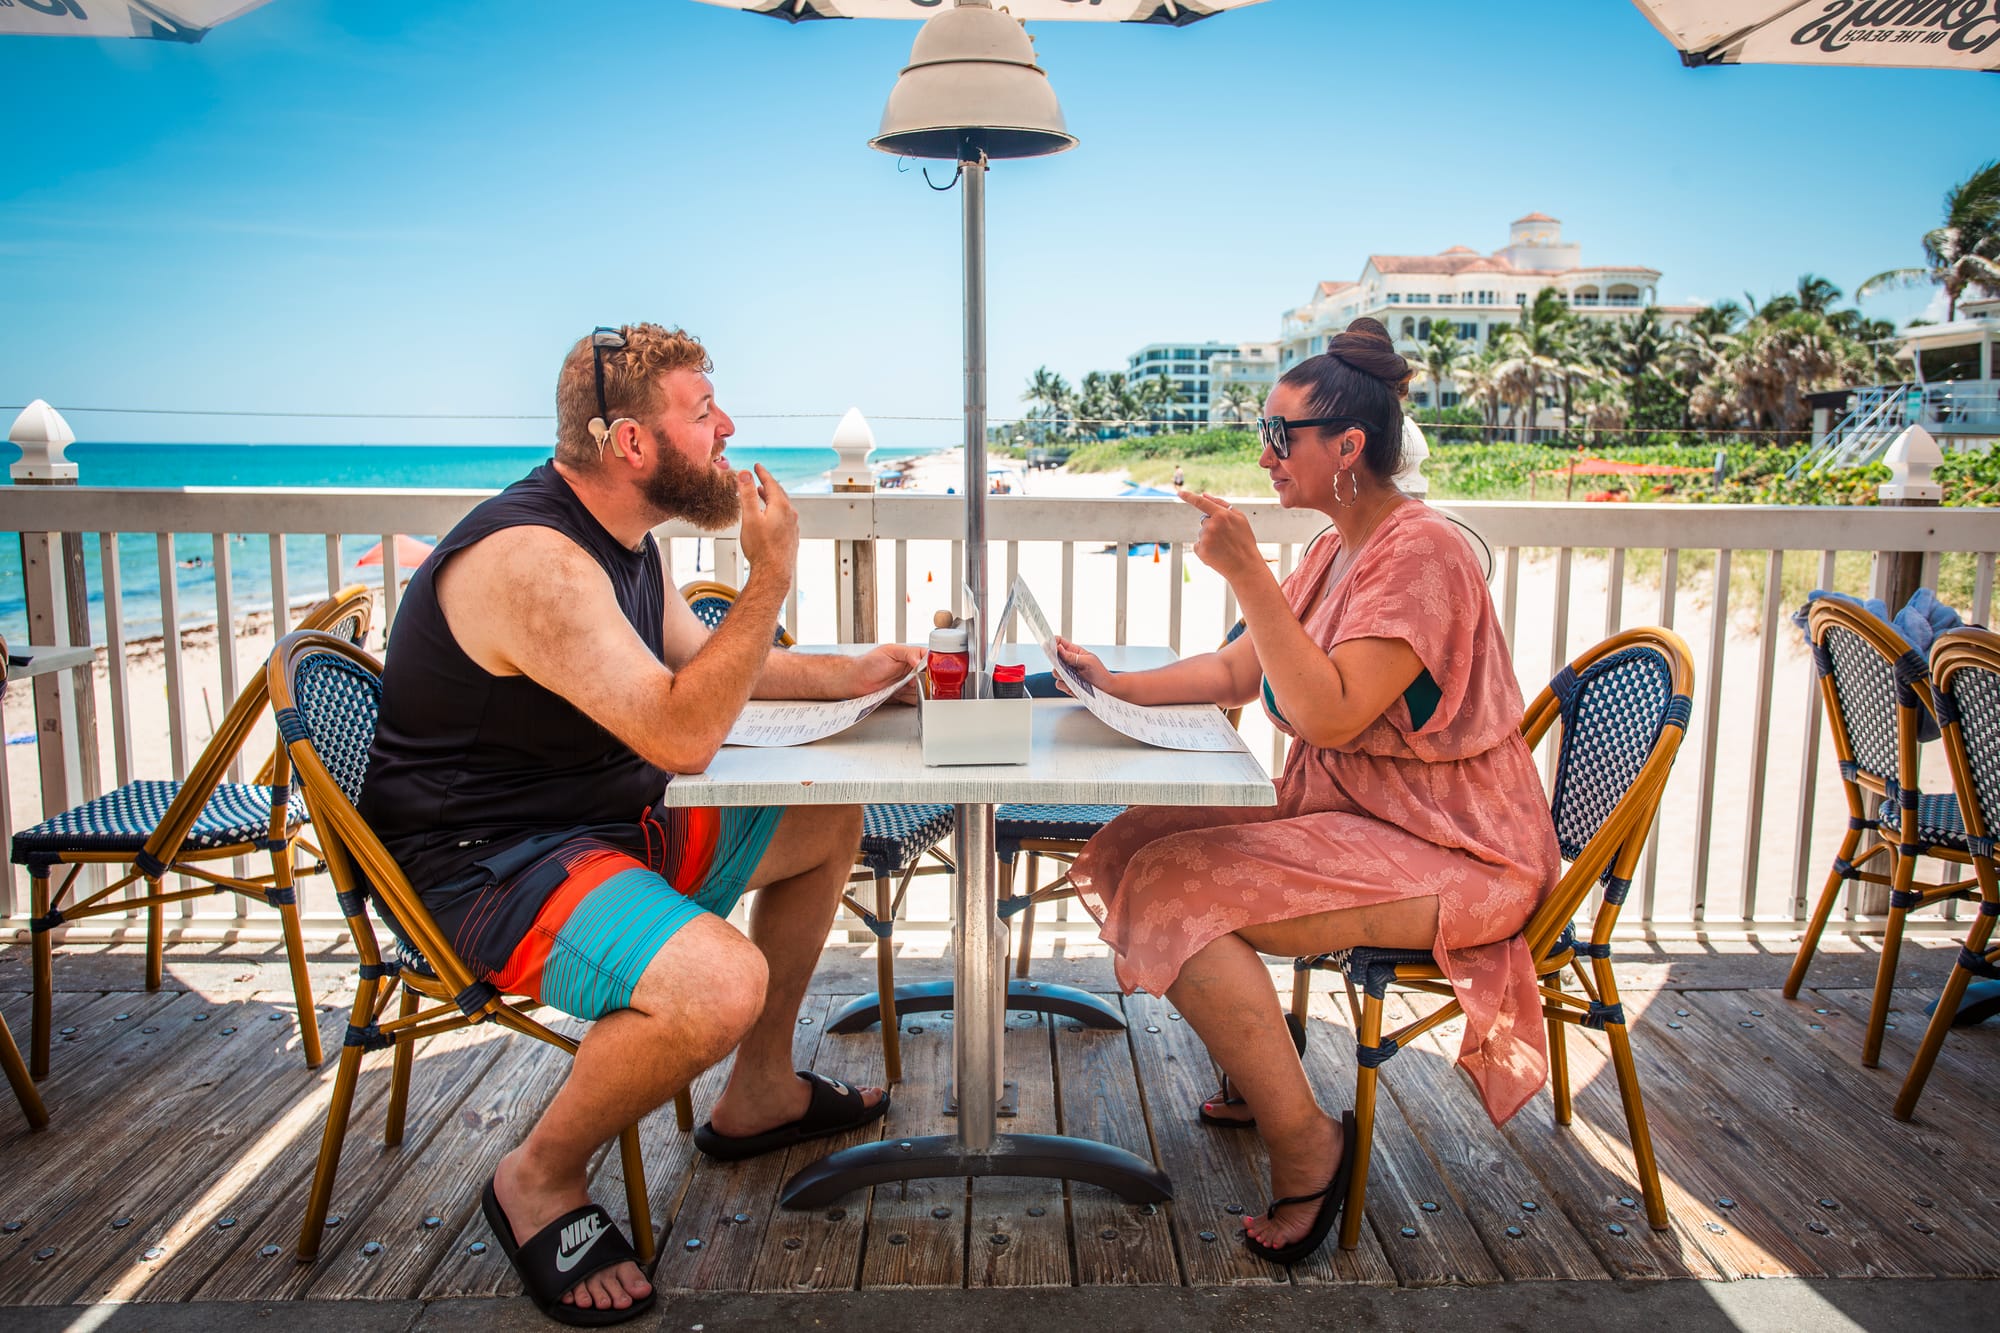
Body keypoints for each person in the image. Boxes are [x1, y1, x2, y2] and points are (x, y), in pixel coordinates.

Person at [359, 323, 923, 1325]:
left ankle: (757, 1095)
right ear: (628, 442)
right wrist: (770, 578)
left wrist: (862, 676)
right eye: (702, 413)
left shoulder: (626, 542)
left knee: (826, 814)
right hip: (486, 867)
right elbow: (683, 733)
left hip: (597, 827)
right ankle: (538, 1177)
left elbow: (701, 662)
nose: (727, 428)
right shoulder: (534, 562)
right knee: (720, 984)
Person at [1051, 318, 1557, 1266]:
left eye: (1283, 435)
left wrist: (1246, 571)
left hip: (1455, 847)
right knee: (1136, 843)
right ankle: (1258, 1066)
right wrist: (1113, 683)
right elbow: (1244, 670)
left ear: (1349, 447)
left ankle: (1308, 1142)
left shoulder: (1423, 555)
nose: (1264, 452)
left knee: (1178, 887)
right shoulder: (1336, 545)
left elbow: (1324, 714)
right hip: (1361, 814)